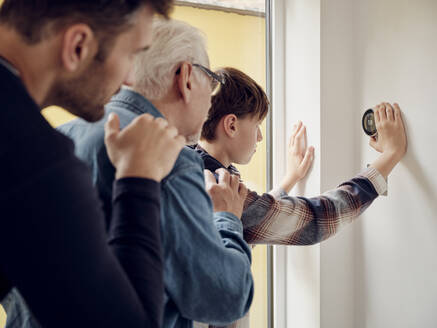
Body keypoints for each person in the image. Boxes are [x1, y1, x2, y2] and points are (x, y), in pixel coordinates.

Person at [3, 18, 255, 328]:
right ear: (186, 77)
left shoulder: (61, 135)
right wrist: (227, 219)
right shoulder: (171, 160)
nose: (211, 100)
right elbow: (224, 298)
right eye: (212, 83)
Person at [0, 1, 187, 328]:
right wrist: (139, 177)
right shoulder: (33, 158)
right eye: (132, 54)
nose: (130, 77)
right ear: (78, 46)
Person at [194, 67, 407, 328]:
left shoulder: (194, 166)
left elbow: (249, 220)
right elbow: (318, 218)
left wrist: (289, 180)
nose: (260, 136)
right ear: (231, 124)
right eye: (257, 124)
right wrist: (389, 157)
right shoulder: (218, 185)